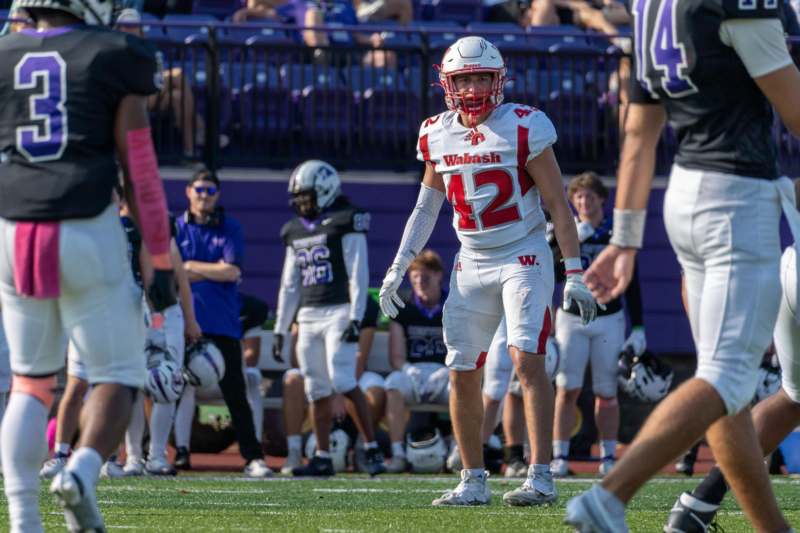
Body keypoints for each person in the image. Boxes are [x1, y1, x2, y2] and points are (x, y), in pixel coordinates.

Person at [568, 0, 800, 527]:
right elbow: (795, 110)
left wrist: (625, 240)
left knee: (725, 390)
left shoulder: (652, 6)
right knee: (727, 377)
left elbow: (638, 134)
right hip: (736, 197)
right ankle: (609, 495)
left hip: (686, 192)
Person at [379, 35, 599, 507]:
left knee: (526, 359)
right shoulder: (436, 132)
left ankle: (540, 475)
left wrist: (575, 272)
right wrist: (399, 264)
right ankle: (473, 479)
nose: (474, 88)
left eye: (482, 78)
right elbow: (425, 208)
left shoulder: (524, 126)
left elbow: (558, 205)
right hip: (471, 258)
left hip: (523, 253)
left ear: (499, 80)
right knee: (461, 368)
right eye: (464, 79)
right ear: (447, 84)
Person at [0, 0, 178, 529]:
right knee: (118, 377)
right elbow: (140, 171)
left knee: (30, 384)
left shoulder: (5, 53)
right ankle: (80, 471)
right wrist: (160, 258)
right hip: (85, 223)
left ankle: (23, 518)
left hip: (14, 228)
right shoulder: (114, 53)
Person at [272, 159, 385, 477]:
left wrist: (356, 317)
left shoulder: (346, 219)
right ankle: (322, 456)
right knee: (316, 388)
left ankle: (371, 447)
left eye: (306, 196)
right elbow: (289, 283)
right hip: (308, 315)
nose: (301, 203)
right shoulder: (294, 230)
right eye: (298, 197)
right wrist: (281, 328)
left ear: (325, 191)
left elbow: (358, 272)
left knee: (343, 380)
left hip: (339, 311)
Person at [175, 169, 272, 478]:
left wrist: (190, 267)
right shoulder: (176, 227)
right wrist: (210, 270)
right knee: (170, 389)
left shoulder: (230, 227)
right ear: (188, 191)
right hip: (183, 324)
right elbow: (171, 273)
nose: (204, 196)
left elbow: (231, 271)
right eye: (199, 189)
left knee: (236, 394)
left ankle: (253, 457)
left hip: (223, 323)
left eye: (210, 191)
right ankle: (169, 453)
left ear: (218, 194)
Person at [552, 172, 646, 478]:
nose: (584, 202)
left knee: (607, 391)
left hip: (609, 318)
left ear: (602, 199)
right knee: (567, 388)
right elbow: (552, 274)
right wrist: (567, 244)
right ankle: (559, 456)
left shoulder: (616, 234)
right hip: (572, 317)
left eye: (589, 196)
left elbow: (631, 280)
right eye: (579, 196)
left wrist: (639, 327)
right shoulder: (566, 229)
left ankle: (608, 456)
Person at [280, 295, 383, 474]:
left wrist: (339, 389)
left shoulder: (362, 304)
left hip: (348, 371)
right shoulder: (308, 297)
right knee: (293, 380)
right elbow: (296, 359)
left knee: (374, 392)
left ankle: (364, 448)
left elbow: (359, 358)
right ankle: (295, 451)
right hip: (317, 369)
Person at [381, 249, 449, 473]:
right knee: (393, 384)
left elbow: (464, 346)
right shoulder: (404, 307)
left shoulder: (452, 305)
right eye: (415, 276)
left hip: (446, 371)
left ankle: (459, 453)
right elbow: (396, 357)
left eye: (425, 276)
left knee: (464, 386)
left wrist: (449, 370)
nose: (420, 281)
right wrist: (408, 369)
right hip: (414, 372)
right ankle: (398, 453)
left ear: (438, 275)